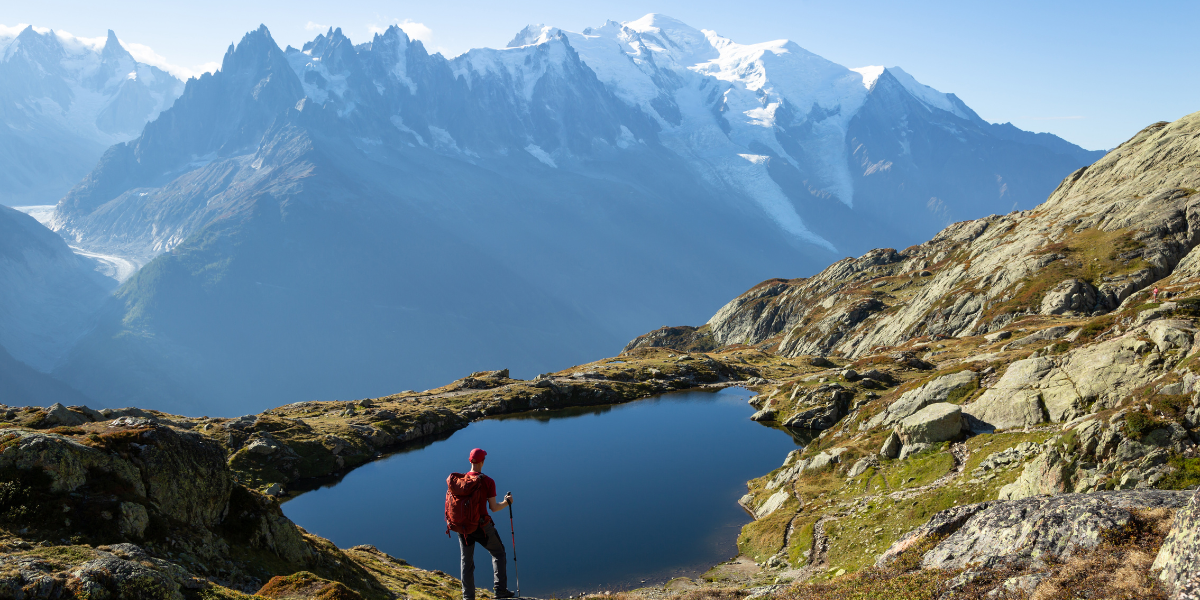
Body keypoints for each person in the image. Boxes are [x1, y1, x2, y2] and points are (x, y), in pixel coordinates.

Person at [457, 448, 515, 600]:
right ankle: (500, 590)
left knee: (466, 561)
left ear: (470, 461)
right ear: (482, 462)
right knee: (499, 553)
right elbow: (494, 508)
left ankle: (468, 597)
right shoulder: (487, 481)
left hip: (463, 528)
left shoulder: (461, 480)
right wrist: (507, 502)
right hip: (482, 527)